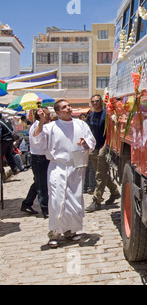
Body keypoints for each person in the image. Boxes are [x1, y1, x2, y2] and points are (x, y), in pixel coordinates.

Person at [33, 100, 96, 248]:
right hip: (58, 167)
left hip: (76, 167)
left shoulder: (81, 124)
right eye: (64, 107)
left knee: (74, 200)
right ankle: (54, 233)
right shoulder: (51, 127)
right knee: (57, 200)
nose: (68, 108)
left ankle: (70, 230)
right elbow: (37, 141)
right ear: (58, 112)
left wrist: (85, 143)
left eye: (68, 106)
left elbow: (91, 141)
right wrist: (41, 122)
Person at [85, 94, 120, 212]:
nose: (95, 103)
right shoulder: (91, 115)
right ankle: (114, 192)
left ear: (101, 102)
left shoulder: (107, 114)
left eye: (97, 101)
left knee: (99, 175)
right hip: (93, 147)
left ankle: (97, 201)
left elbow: (111, 131)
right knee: (101, 173)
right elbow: (88, 131)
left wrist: (106, 145)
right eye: (93, 101)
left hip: (104, 146)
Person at [20, 107, 51, 217]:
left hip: (45, 157)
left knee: (38, 182)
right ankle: (45, 209)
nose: (49, 116)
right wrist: (42, 120)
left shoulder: (46, 125)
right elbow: (37, 139)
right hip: (39, 158)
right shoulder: (37, 126)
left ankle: (27, 203)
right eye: (47, 114)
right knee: (42, 185)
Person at [80, 111, 96, 194]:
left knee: (88, 168)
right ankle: (89, 186)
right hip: (88, 148)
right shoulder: (85, 125)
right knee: (90, 168)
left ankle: (87, 186)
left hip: (87, 147)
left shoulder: (83, 125)